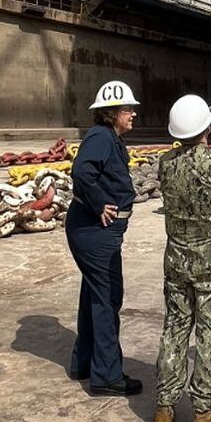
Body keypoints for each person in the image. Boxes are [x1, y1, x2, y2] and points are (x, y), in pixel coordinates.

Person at [153, 95, 211, 422]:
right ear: (208, 126)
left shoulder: (166, 163)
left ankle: (164, 409)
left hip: (177, 263)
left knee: (174, 329)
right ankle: (204, 413)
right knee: (210, 334)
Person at [66, 79, 142, 396]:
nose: (133, 114)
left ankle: (84, 363)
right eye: (128, 109)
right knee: (108, 297)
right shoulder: (100, 136)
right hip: (95, 232)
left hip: (98, 231)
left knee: (93, 296)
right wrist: (100, 205)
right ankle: (107, 376)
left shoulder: (108, 138)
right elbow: (82, 172)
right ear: (112, 113)